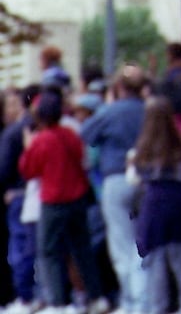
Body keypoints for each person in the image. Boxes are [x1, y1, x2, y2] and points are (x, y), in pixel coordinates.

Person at [19, 90, 108, 314]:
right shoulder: (71, 135)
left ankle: (58, 302)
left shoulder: (41, 140)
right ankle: (96, 297)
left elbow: (28, 170)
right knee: (82, 249)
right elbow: (84, 161)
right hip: (77, 198)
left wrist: (28, 146)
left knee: (49, 252)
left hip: (52, 200)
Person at [127, 96, 181, 314]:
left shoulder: (144, 149)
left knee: (154, 269)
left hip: (154, 208)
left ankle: (155, 309)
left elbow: (137, 177)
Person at [81, 66, 147, 314]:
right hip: (145, 179)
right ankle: (144, 300)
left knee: (121, 243)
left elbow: (86, 134)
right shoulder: (148, 110)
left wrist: (109, 103)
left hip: (116, 178)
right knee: (142, 243)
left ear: (118, 87)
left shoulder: (110, 112)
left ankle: (130, 302)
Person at [0, 86, 40, 314]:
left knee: (20, 248)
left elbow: (5, 169)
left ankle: (23, 296)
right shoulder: (27, 128)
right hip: (27, 193)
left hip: (17, 195)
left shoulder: (13, 132)